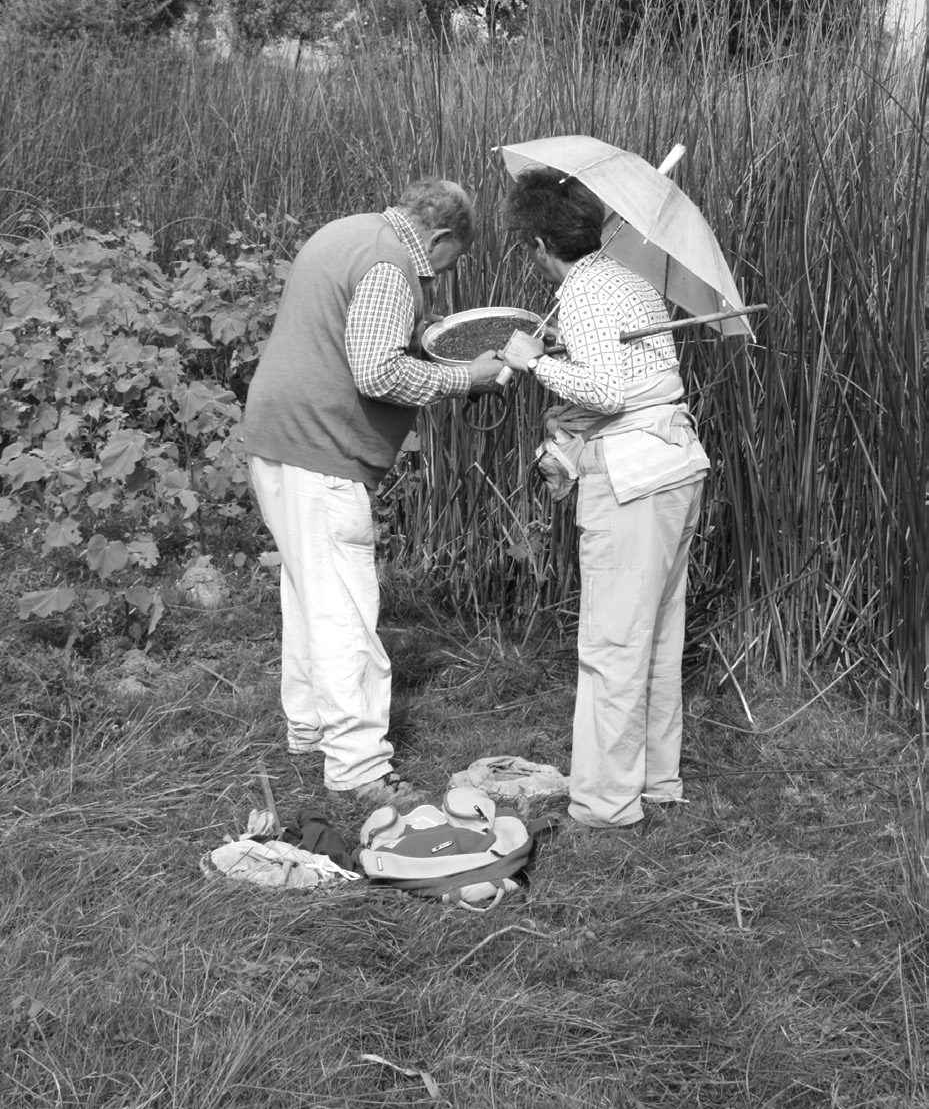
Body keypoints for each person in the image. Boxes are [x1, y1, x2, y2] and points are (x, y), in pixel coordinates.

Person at [243, 177, 501, 803]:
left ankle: (309, 729)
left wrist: (429, 336)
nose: (441, 276)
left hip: (276, 435)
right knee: (344, 610)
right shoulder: (392, 265)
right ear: (439, 237)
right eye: (451, 260)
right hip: (326, 449)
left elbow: (351, 333)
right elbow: (377, 370)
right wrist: (467, 378)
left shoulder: (349, 232)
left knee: (307, 590)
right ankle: (358, 766)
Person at [500, 168, 710, 830]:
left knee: (613, 644)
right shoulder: (627, 280)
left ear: (537, 244)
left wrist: (533, 361)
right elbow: (627, 381)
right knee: (655, 636)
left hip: (634, 482)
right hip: (674, 466)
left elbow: (608, 391)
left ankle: (604, 805)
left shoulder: (589, 291)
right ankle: (653, 781)